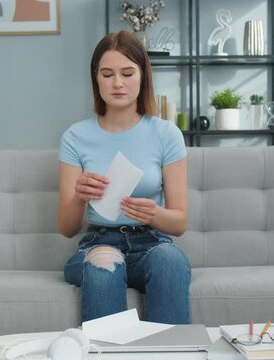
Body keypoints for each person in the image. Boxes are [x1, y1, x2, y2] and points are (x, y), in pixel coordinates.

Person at [58, 31, 191, 324]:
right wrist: (80, 197)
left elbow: (180, 223)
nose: (117, 83)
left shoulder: (166, 134)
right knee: (105, 263)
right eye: (107, 74)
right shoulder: (75, 137)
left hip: (152, 242)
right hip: (97, 242)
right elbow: (67, 228)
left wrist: (154, 213)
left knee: (171, 260)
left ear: (143, 76)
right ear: (96, 78)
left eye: (127, 73)